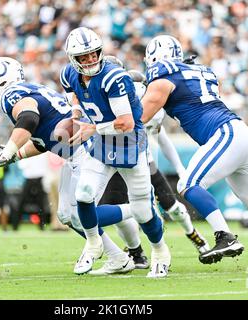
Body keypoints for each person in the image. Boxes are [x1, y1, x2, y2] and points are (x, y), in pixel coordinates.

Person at [141, 35, 248, 264]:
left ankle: (224, 235)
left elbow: (141, 117)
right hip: (241, 134)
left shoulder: (163, 74)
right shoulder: (199, 71)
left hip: (225, 134)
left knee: (187, 184)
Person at [0, 56, 142, 276]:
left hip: (86, 149)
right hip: (74, 154)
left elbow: (29, 119)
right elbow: (44, 142)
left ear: (2, 81)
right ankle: (118, 258)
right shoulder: (29, 91)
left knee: (78, 215)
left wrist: (7, 150)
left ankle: (139, 208)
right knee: (65, 215)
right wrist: (14, 156)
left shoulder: (12, 94)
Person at [61, 27, 170, 278]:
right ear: (73, 59)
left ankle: (160, 251)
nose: (90, 60)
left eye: (93, 54)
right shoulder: (69, 73)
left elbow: (126, 123)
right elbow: (73, 95)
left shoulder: (113, 77)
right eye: (83, 57)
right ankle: (93, 243)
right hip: (101, 144)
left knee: (142, 211)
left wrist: (93, 128)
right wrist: (76, 113)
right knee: (84, 194)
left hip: (129, 144)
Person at [102, 58, 210, 256]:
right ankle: (136, 252)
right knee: (120, 211)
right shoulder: (102, 105)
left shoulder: (148, 107)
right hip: (114, 162)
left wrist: (179, 168)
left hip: (145, 162)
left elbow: (162, 139)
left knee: (171, 207)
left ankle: (192, 234)